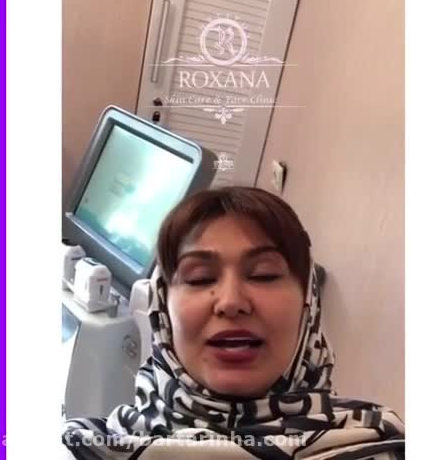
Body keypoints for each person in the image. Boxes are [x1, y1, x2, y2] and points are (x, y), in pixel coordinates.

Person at [63, 186, 405, 459]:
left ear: (308, 305)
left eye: (264, 275)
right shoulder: (84, 449)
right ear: (162, 311)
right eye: (199, 278)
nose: (230, 302)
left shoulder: (380, 448)